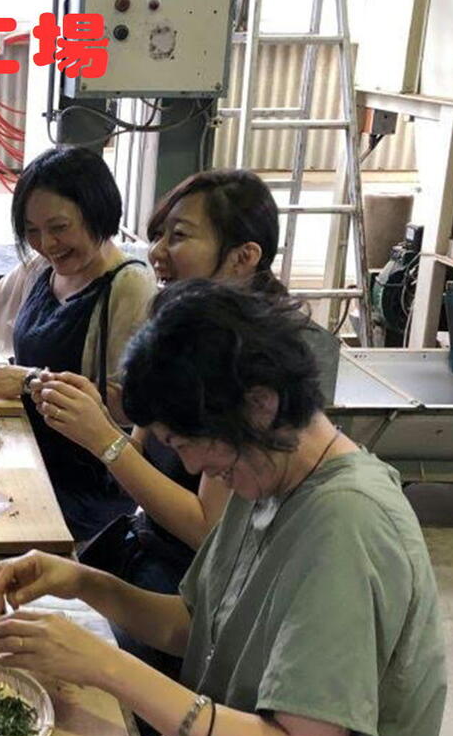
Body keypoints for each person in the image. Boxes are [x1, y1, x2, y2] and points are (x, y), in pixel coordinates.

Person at [0, 282, 446, 736]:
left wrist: (105, 665)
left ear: (259, 404)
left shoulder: (346, 526)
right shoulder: (267, 478)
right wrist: (83, 582)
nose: (195, 468)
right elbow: (196, 626)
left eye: (190, 444)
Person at [36, 170, 340, 679]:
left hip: (186, 587)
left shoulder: (254, 369)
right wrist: (98, 426)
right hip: (149, 561)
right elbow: (135, 460)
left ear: (243, 257)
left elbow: (209, 530)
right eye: (158, 235)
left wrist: (104, 440)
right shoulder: (178, 333)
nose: (156, 253)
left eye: (178, 236)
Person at [0, 146, 156, 541]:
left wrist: (30, 381)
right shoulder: (42, 268)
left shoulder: (130, 286)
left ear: (98, 213)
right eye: (32, 231)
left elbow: (129, 406)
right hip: (26, 446)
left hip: (83, 482)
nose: (46, 243)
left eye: (59, 227)